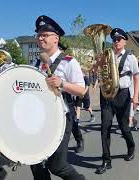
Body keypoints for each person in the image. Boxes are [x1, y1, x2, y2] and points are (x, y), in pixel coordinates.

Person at [30, 15, 85, 180]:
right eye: (39, 34)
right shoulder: (36, 63)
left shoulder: (69, 62)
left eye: (45, 34)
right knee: (35, 162)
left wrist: (62, 84)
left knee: (57, 166)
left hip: (62, 117)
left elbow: (82, 90)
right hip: (40, 117)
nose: (40, 37)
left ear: (56, 38)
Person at [94, 28, 139, 174]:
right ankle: (106, 161)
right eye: (113, 39)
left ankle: (131, 147)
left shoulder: (131, 57)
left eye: (118, 39)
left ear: (124, 41)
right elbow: (97, 71)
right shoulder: (106, 55)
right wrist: (98, 63)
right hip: (107, 95)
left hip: (122, 95)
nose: (115, 42)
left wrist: (136, 97)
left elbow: (137, 77)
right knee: (105, 128)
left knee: (124, 127)